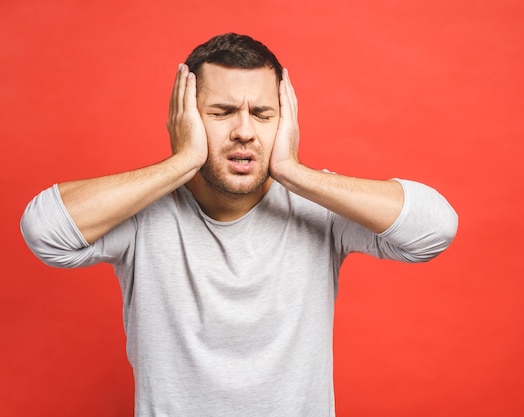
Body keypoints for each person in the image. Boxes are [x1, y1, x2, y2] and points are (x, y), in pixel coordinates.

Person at [20, 33, 458, 417]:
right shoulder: (143, 211)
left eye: (263, 114)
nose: (244, 131)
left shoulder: (316, 205)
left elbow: (434, 229)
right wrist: (182, 162)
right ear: (185, 117)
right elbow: (44, 230)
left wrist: (292, 171)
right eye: (222, 112)